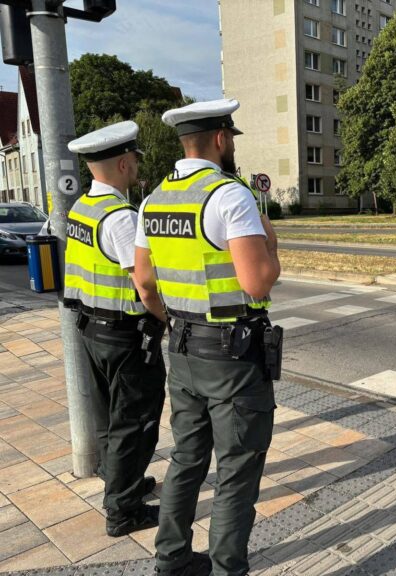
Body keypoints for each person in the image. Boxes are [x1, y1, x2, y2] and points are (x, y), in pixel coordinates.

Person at [133, 99, 281, 576]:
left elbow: (144, 282)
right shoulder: (228, 195)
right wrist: (272, 247)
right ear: (220, 139)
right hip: (233, 361)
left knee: (187, 459)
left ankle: (171, 558)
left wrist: (174, 323)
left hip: (182, 351)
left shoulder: (152, 199)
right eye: (232, 138)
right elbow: (257, 281)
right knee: (237, 472)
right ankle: (226, 569)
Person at [63, 121, 166, 537]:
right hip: (125, 336)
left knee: (110, 419)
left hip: (91, 328)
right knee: (136, 422)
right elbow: (143, 282)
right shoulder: (121, 218)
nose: (137, 165)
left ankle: (121, 482)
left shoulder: (82, 208)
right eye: (136, 159)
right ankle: (123, 511)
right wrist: (165, 317)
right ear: (124, 163)